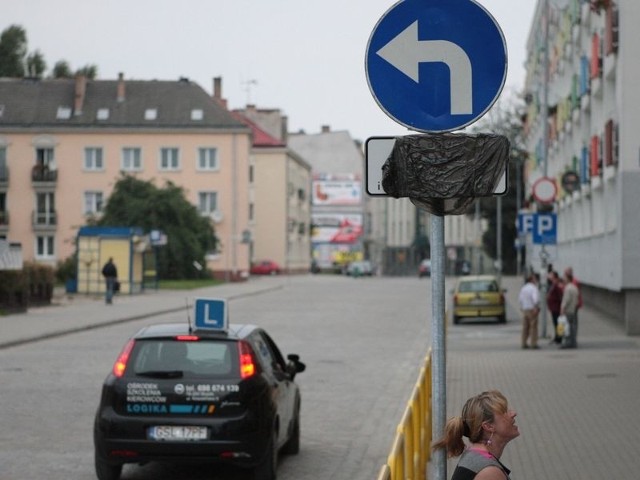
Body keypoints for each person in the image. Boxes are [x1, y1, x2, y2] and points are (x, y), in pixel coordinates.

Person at [432, 390, 519, 480]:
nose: (513, 413)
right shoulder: (489, 472)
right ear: (488, 426)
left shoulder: (474, 455)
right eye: (505, 412)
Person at [518, 273, 540, 349]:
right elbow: (535, 299)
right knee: (533, 327)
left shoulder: (523, 288)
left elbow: (520, 299)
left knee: (525, 327)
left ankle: (523, 343)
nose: (536, 281)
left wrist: (521, 307)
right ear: (532, 280)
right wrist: (536, 307)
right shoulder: (534, 288)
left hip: (525, 309)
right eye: (535, 279)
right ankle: (533, 344)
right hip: (532, 309)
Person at [560, 268, 580, 348]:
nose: (563, 279)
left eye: (564, 277)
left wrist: (562, 308)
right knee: (573, 327)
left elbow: (566, 300)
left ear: (568, 278)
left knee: (567, 327)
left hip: (568, 310)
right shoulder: (574, 287)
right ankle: (573, 342)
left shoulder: (568, 288)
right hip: (573, 309)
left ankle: (568, 343)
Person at [546, 270, 564, 344]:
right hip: (553, 307)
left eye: (550, 274)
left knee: (558, 323)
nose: (549, 275)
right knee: (555, 323)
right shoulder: (553, 284)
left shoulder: (557, 284)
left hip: (557, 307)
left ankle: (560, 337)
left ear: (554, 276)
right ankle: (557, 336)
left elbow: (561, 295)